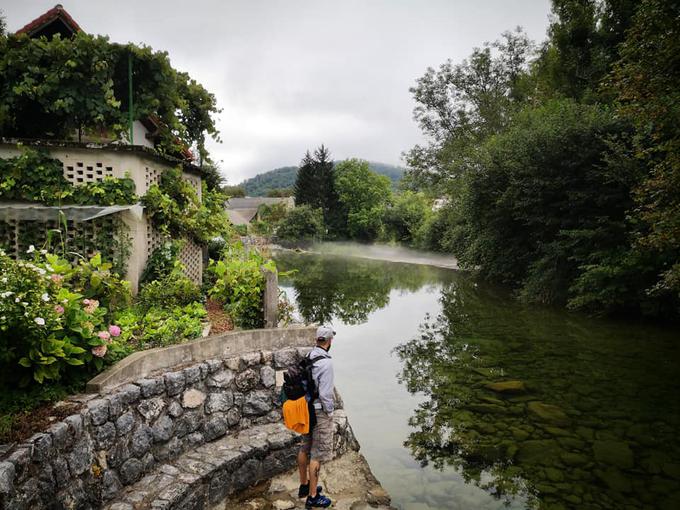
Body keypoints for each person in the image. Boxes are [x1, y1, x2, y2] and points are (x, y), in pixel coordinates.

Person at [297, 325, 336, 508]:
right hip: (320, 412)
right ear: (329, 341)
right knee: (317, 454)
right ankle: (313, 497)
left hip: (306, 409)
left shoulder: (310, 356)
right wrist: (330, 413)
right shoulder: (326, 363)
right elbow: (326, 394)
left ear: (316, 340)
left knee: (305, 447)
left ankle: (304, 485)